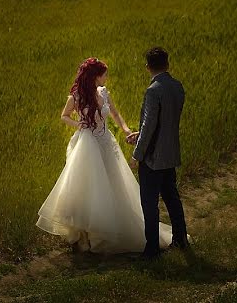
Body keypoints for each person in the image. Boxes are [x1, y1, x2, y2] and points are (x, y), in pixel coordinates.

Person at [36, 57, 174, 253]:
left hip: (105, 142)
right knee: (87, 185)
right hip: (86, 144)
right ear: (95, 76)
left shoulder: (104, 93)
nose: (107, 77)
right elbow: (64, 116)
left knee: (111, 183)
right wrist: (78, 125)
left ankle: (104, 231)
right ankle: (84, 233)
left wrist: (126, 130)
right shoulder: (75, 96)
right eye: (105, 74)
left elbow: (115, 115)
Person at [126, 47, 189, 259]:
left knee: (149, 203)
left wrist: (137, 155)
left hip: (153, 158)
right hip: (170, 153)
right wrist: (141, 130)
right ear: (167, 64)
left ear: (147, 67)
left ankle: (152, 249)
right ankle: (180, 239)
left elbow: (150, 126)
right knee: (172, 198)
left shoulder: (153, 91)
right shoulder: (177, 87)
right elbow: (167, 122)